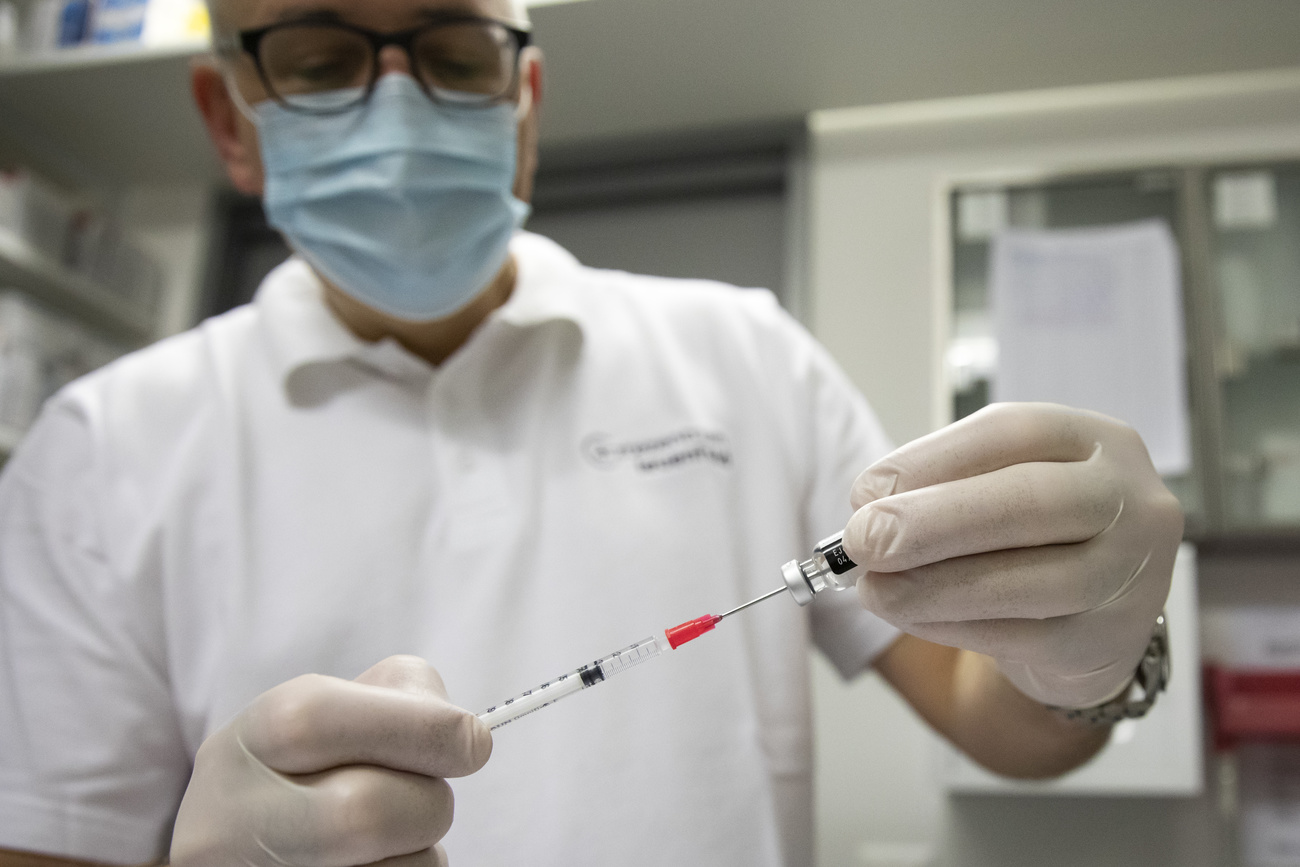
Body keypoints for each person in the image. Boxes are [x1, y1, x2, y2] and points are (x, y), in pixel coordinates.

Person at [0, 0, 1184, 864]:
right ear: (230, 117)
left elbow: (997, 721)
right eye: (319, 57)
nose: (398, 101)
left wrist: (1080, 660)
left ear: (522, 100)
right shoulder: (100, 446)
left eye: (455, 52)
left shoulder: (743, 352)